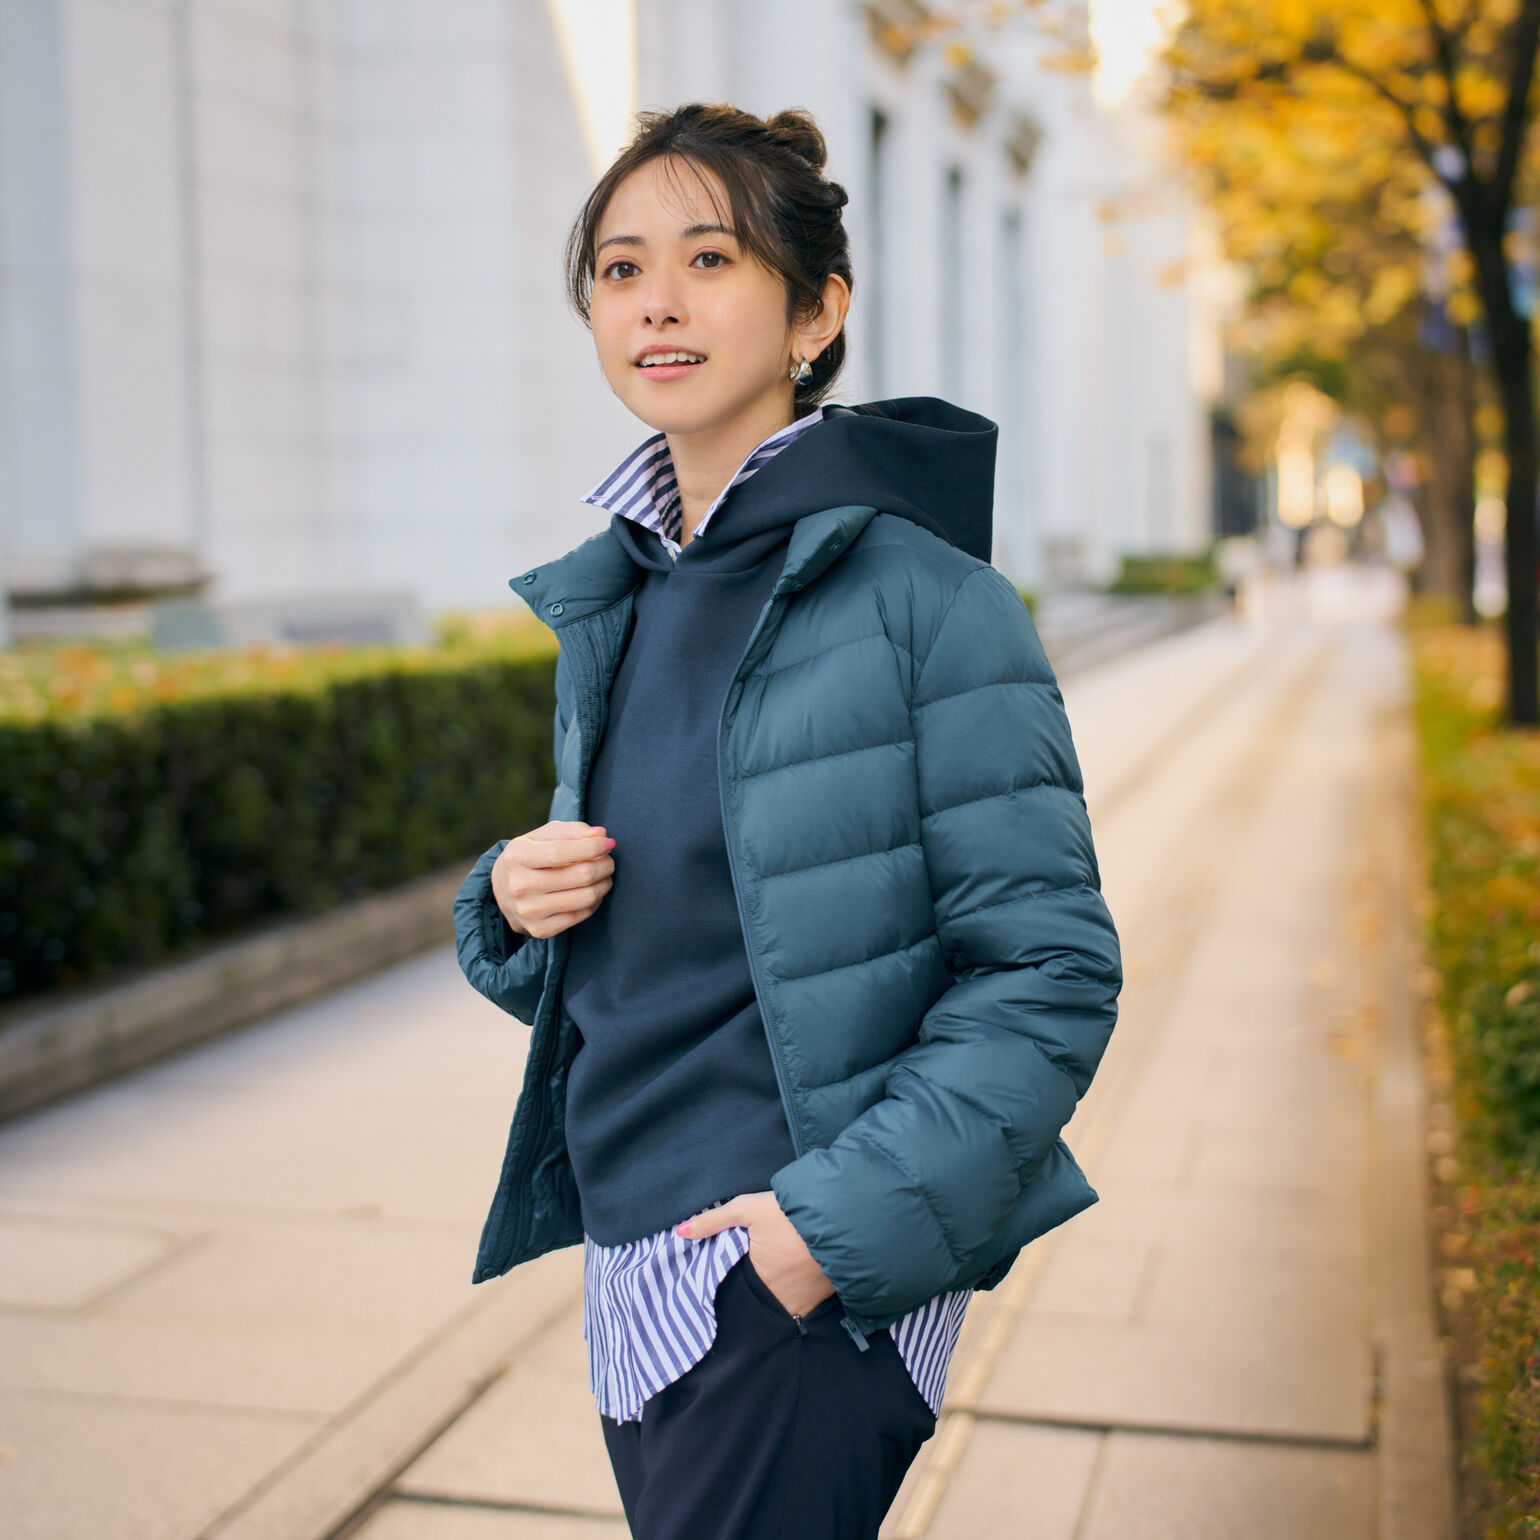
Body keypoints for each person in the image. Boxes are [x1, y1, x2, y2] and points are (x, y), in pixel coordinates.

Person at [453, 101, 1123, 1540]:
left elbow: (1050, 970)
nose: (658, 303)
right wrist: (511, 898)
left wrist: (823, 1234)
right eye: (621, 269)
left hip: (797, 1263)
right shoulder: (621, 593)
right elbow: (688, 928)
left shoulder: (928, 602)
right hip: (637, 1250)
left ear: (817, 312)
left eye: (710, 259)